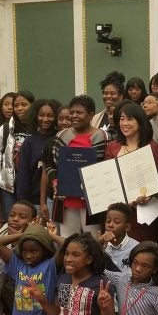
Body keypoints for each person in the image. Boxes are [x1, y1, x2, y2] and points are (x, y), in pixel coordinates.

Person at [43, 95, 108, 236]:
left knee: (93, 242)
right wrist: (55, 181)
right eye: (72, 112)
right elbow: (49, 164)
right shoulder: (61, 136)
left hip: (92, 203)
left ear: (91, 115)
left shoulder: (102, 137)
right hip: (66, 202)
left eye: (79, 113)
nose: (74, 116)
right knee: (68, 242)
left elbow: (106, 166)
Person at [105, 100, 158, 243]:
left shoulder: (152, 147)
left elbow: (153, 178)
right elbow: (107, 177)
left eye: (130, 119)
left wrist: (146, 196)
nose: (124, 123)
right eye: (122, 119)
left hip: (142, 212)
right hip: (117, 212)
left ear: (140, 121)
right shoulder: (112, 146)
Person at [0, 90, 34, 222]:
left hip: (33, 185)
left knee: (32, 225)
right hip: (8, 186)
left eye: (24, 104)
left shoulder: (39, 128)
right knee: (10, 224)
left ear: (32, 105)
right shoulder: (5, 129)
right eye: (16, 105)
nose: (19, 108)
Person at [16, 99, 61, 216]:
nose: (45, 119)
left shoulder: (60, 139)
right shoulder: (29, 142)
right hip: (34, 201)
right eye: (41, 115)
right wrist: (23, 202)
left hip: (58, 198)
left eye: (50, 116)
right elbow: (23, 175)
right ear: (35, 116)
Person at [98, 202, 139, 274]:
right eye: (108, 221)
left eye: (116, 222)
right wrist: (99, 245)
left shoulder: (136, 248)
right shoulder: (101, 245)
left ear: (127, 227)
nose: (110, 225)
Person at [92, 71, 125, 140]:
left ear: (121, 96)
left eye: (112, 93)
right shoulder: (95, 118)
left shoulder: (126, 117)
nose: (108, 96)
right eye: (105, 93)